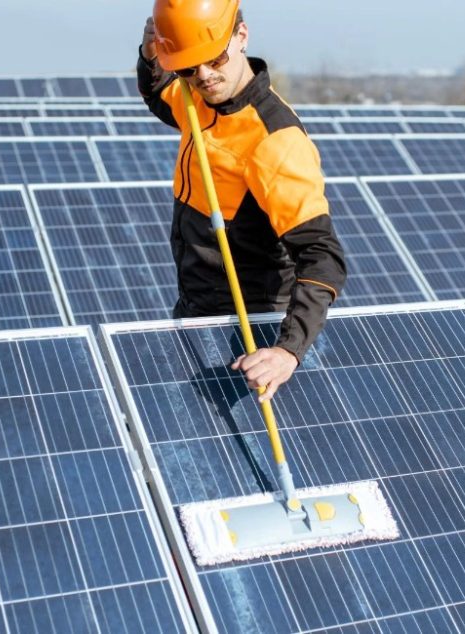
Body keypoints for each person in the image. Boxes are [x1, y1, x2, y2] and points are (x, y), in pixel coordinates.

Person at [137, 0, 346, 402]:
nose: (204, 76)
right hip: (197, 314)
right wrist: (152, 60)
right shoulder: (196, 98)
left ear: (242, 36)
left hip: (251, 333)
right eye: (188, 66)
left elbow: (323, 256)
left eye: (214, 59)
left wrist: (286, 352)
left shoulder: (276, 141)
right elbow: (161, 96)